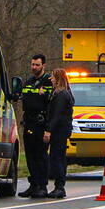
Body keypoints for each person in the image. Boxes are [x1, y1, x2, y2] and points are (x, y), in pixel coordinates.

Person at [18, 54, 53, 197]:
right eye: (32, 64)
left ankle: (42, 186)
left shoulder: (48, 82)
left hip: (41, 123)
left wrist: (48, 129)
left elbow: (49, 103)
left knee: (41, 156)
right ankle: (33, 185)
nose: (34, 67)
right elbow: (24, 99)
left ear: (43, 65)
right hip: (29, 122)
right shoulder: (29, 81)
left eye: (37, 65)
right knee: (30, 156)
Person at [43, 68, 75, 199]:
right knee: (59, 157)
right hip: (62, 130)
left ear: (58, 79)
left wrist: (49, 130)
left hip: (59, 131)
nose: (51, 79)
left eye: (53, 77)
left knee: (56, 158)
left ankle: (59, 186)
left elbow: (56, 115)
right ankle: (59, 185)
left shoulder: (61, 95)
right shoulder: (65, 93)